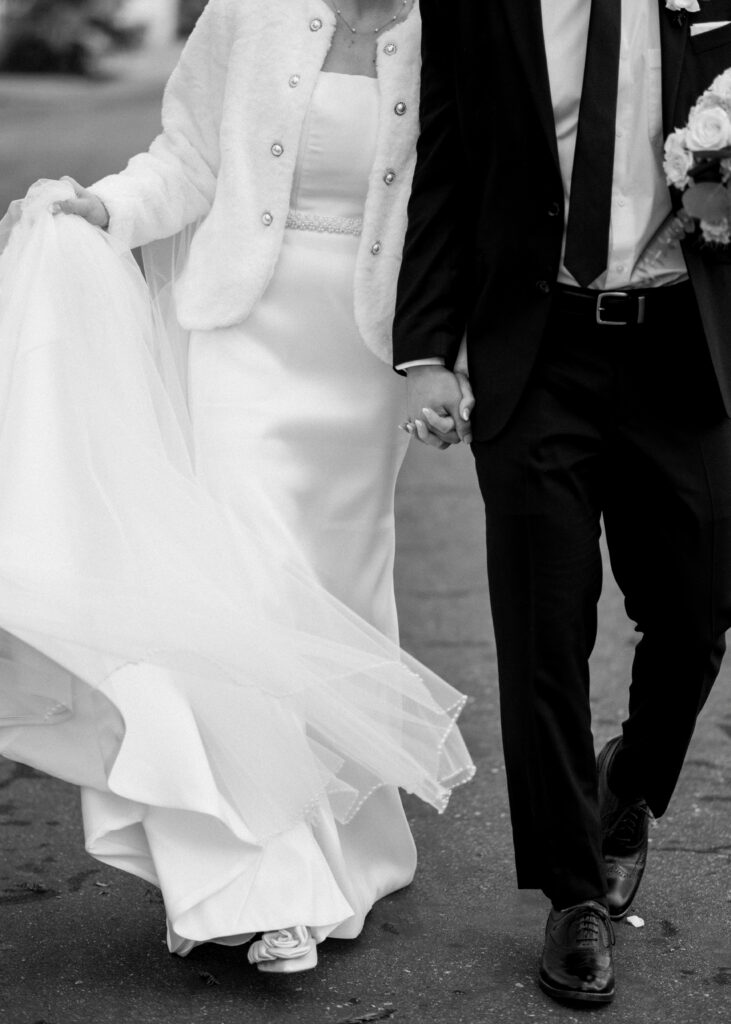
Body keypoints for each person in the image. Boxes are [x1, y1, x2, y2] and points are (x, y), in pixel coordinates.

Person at [0, 0, 475, 974]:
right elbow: (186, 159)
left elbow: (476, 204)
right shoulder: (249, 11)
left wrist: (451, 357)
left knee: (336, 600)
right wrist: (111, 209)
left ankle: (352, 848)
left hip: (360, 357)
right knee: (240, 596)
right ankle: (270, 886)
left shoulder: (464, 31)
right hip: (240, 337)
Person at [394, 0, 731, 1006]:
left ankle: (624, 788)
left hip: (682, 345)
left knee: (696, 606)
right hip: (537, 345)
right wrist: (425, 351)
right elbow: (444, 162)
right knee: (542, 628)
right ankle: (572, 894)